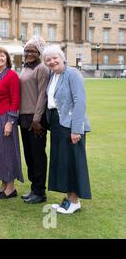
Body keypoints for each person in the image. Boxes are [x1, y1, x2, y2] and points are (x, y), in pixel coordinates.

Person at [43, 45, 91, 214]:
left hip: (71, 124)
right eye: (48, 60)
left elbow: (80, 102)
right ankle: (68, 198)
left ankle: (74, 201)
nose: (51, 61)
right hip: (57, 123)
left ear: (62, 58)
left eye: (54, 58)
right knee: (62, 162)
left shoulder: (73, 73)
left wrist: (76, 129)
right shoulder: (53, 75)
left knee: (72, 162)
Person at [0, 47, 23, 199]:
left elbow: (15, 99)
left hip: (5, 117)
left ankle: (11, 188)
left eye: (1, 56)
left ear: (7, 58)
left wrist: (10, 122)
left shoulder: (12, 75)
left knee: (8, 151)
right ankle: (3, 185)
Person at [19, 36, 50, 204]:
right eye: (27, 50)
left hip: (36, 120)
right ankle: (34, 188)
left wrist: (37, 119)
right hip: (24, 118)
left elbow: (42, 95)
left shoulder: (41, 69)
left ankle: (40, 191)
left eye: (33, 50)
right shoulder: (25, 68)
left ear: (39, 52)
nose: (29, 53)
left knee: (38, 156)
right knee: (29, 155)